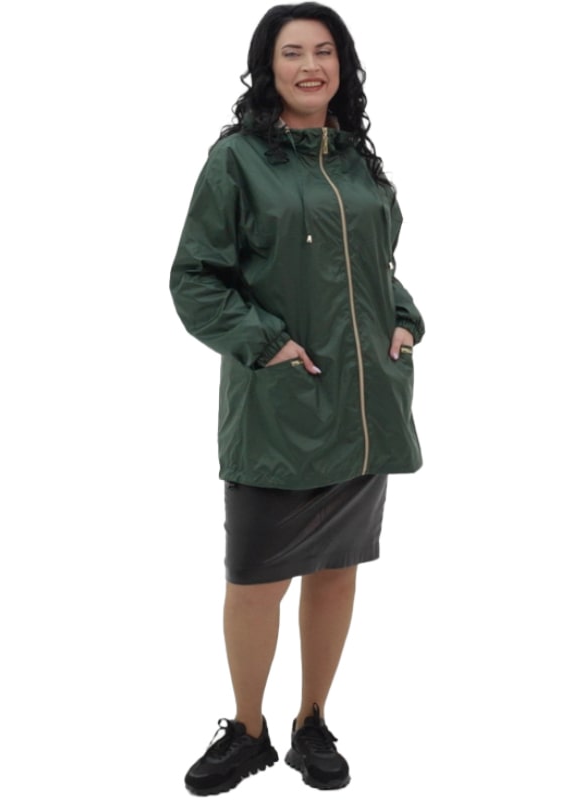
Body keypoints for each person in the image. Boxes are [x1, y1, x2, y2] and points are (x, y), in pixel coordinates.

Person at [170, 3, 424, 794]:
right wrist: (268, 344)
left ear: (343, 65)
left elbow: (379, 269)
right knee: (254, 579)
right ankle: (248, 730)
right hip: (279, 409)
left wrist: (404, 320)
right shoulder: (238, 161)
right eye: (292, 52)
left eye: (324, 51)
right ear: (267, 66)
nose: (310, 65)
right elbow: (196, 278)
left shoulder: (358, 162)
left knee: (338, 569)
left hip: (362, 407)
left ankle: (312, 721)